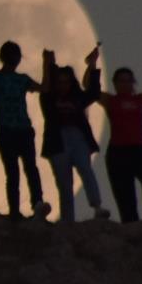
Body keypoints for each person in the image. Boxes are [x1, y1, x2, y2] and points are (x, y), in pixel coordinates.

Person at [0, 41, 51, 220]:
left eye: (16, 54)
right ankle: (15, 211)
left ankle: (37, 204)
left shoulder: (22, 79)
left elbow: (44, 88)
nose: (13, 58)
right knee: (13, 171)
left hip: (23, 129)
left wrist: (46, 63)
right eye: (11, 54)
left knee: (30, 168)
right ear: (3, 57)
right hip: (6, 130)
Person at [40, 46, 111, 222]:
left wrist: (93, 64)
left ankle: (97, 207)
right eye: (60, 82)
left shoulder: (78, 97)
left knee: (86, 170)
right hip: (57, 140)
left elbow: (93, 92)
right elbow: (46, 88)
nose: (63, 86)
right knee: (64, 182)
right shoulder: (49, 99)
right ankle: (68, 219)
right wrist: (48, 64)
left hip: (78, 137)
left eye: (66, 82)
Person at [98, 52, 142, 222]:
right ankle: (131, 226)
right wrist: (92, 65)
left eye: (128, 80)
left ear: (133, 83)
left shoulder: (140, 99)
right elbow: (90, 88)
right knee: (125, 195)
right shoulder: (110, 101)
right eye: (120, 81)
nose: (124, 84)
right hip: (118, 152)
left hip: (139, 150)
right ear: (114, 83)